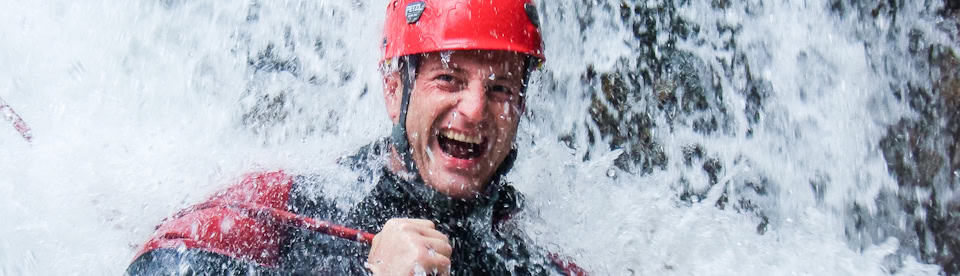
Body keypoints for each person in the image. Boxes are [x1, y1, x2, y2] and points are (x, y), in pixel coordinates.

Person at [125, 0, 585, 275]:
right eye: (448, 79)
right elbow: (159, 266)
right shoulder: (295, 201)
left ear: (520, 107)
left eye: (501, 88)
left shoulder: (532, 256)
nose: (475, 109)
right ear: (394, 90)